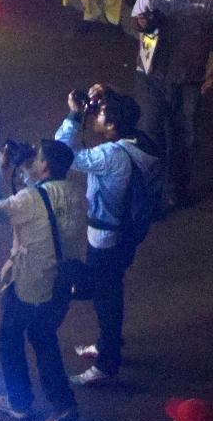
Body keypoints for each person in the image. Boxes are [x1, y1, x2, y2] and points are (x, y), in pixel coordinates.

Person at [56, 86, 162, 386]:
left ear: (113, 125)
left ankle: (106, 363)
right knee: (110, 287)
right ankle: (107, 343)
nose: (94, 116)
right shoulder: (139, 142)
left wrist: (74, 116)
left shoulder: (111, 156)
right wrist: (108, 95)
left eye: (100, 113)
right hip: (126, 232)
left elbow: (60, 155)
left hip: (105, 234)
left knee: (105, 297)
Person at [0, 137, 83, 421]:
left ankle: (19, 403)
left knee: (10, 338)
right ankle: (63, 404)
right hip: (62, 283)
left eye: (37, 156)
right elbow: (44, 201)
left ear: (45, 165)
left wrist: (2, 170)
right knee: (43, 336)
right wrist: (30, 173)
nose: (32, 158)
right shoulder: (75, 192)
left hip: (30, 284)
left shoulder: (29, 199)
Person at [128, 0, 213, 208]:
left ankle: (177, 192)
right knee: (149, 133)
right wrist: (141, 23)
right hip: (150, 76)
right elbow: (136, 20)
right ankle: (150, 194)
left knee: (184, 138)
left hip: (189, 81)